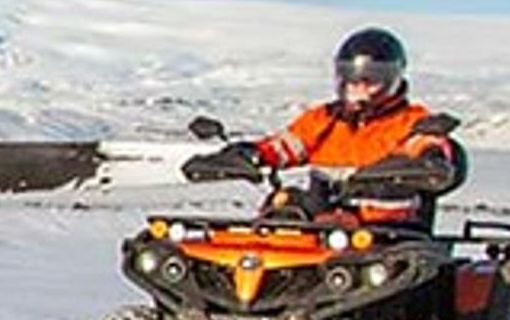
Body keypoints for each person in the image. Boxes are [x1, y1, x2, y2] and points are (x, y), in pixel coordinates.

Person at [189, 25, 465, 216]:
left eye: (372, 80)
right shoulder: (325, 119)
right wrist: (251, 155)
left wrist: (425, 161)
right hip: (324, 225)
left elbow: (428, 146)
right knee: (280, 210)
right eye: (352, 79)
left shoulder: (412, 121)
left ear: (393, 80)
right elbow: (287, 145)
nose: (360, 88)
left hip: (383, 231)